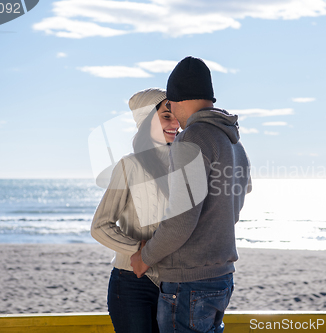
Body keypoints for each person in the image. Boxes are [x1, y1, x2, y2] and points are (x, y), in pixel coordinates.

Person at [131, 56, 252, 333]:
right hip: (222, 277)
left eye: (170, 106)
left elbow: (180, 220)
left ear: (177, 100)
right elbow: (234, 206)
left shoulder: (192, 138)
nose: (173, 116)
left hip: (189, 282)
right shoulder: (233, 142)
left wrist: (145, 257)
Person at [91, 87, 180, 333]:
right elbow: (99, 226)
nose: (176, 123)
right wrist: (138, 249)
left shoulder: (186, 164)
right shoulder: (129, 166)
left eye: (177, 116)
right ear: (146, 121)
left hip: (176, 284)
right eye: (166, 116)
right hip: (132, 283)